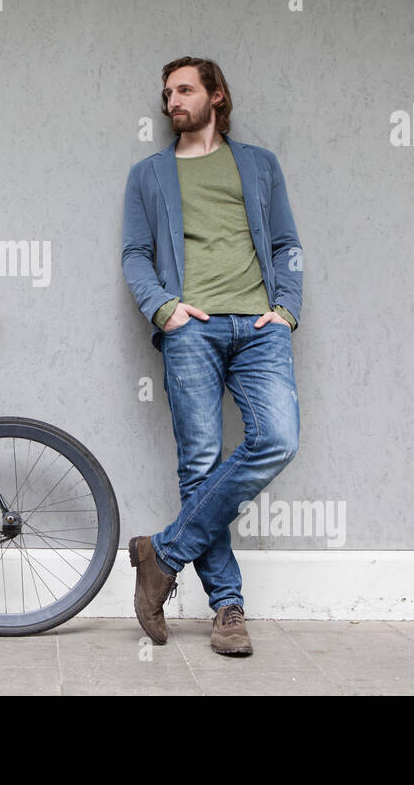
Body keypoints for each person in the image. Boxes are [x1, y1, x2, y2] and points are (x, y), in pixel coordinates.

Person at [120, 56, 302, 655]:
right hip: (190, 329)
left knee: (277, 439)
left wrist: (286, 309)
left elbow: (285, 244)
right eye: (167, 91)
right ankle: (229, 609)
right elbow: (135, 254)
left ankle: (161, 553)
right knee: (198, 464)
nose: (173, 99)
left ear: (217, 96)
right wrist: (164, 309)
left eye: (186, 89)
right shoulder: (149, 174)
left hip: (259, 327)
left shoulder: (258, 165)